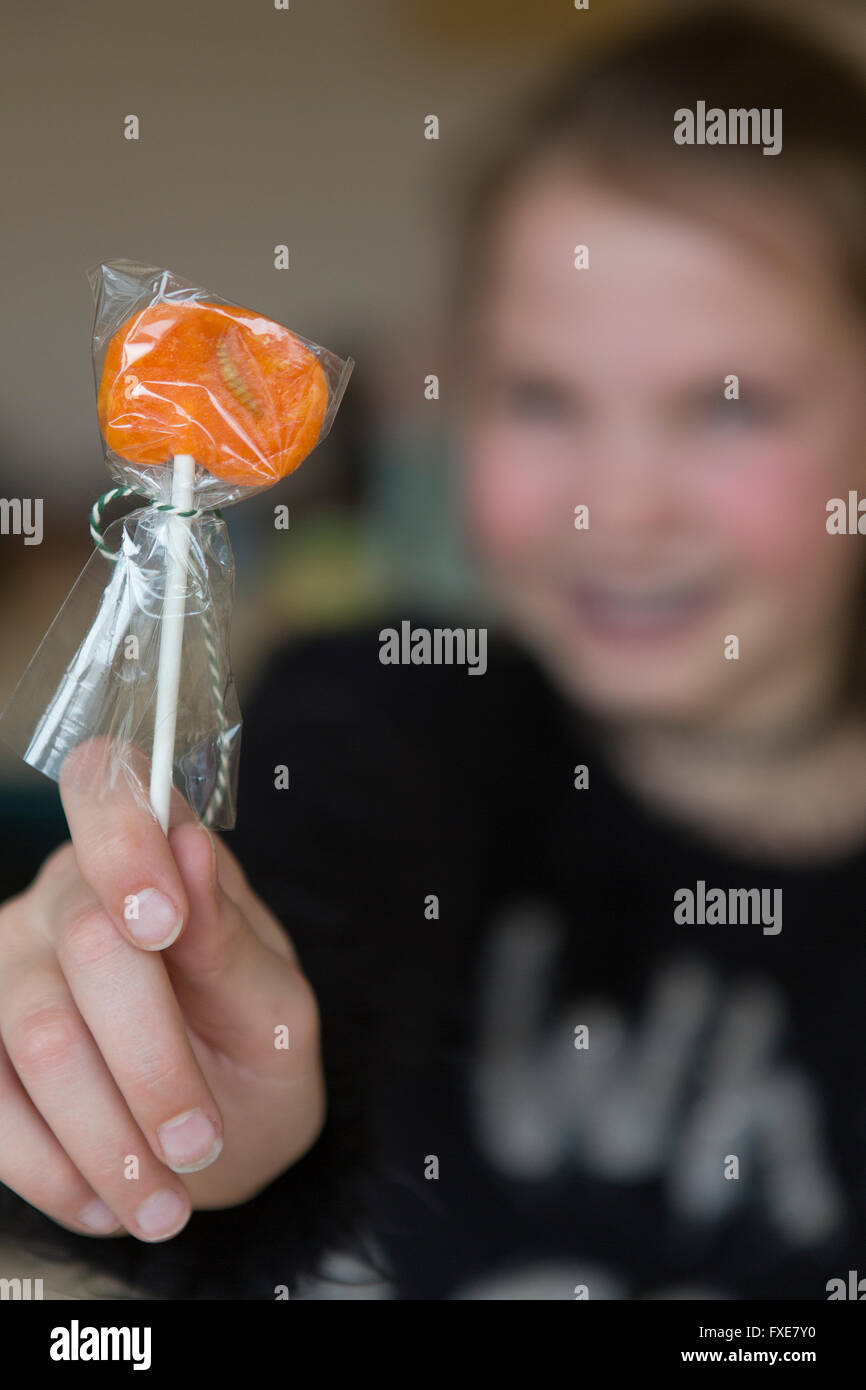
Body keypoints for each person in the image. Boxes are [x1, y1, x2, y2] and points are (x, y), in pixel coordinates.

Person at [2, 1, 866, 1299]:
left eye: (725, 405)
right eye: (538, 396)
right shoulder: (389, 707)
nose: (615, 507)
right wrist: (183, 1094)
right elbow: (313, 901)